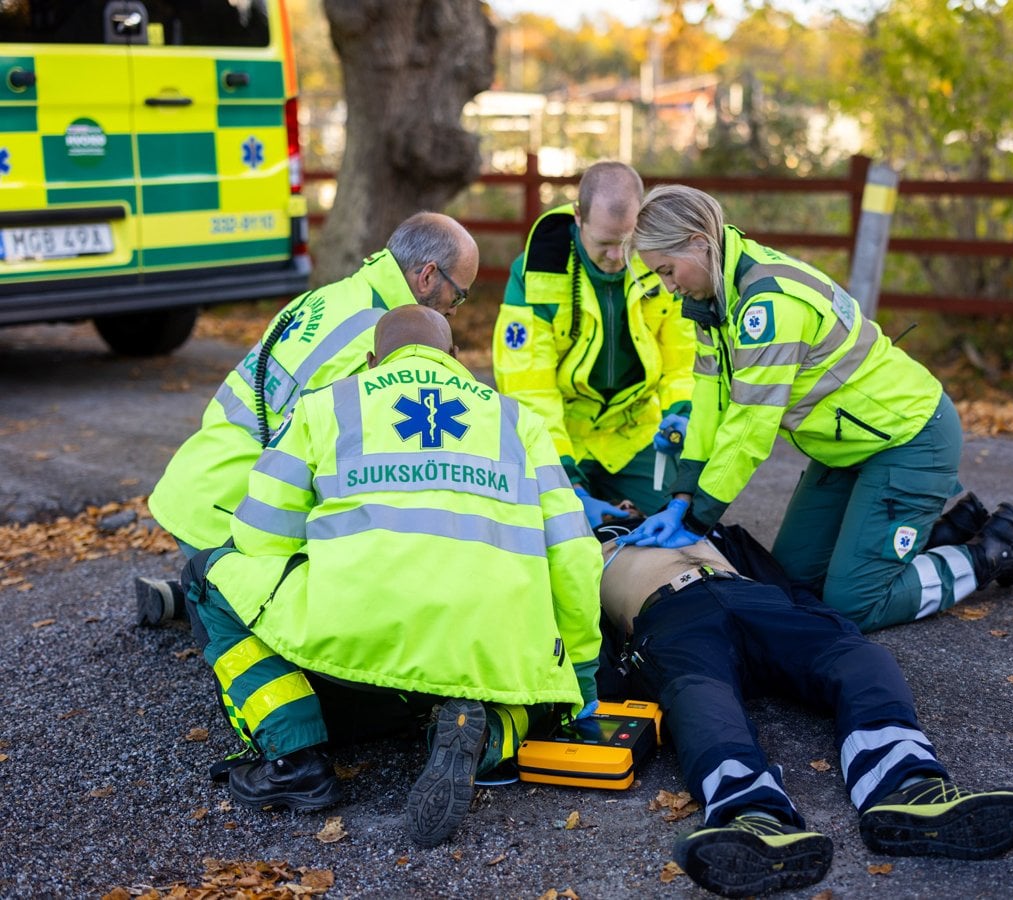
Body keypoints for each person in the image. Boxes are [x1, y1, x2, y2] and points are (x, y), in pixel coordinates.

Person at [179, 305, 603, 847]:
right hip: (487, 644)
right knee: (544, 692)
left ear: (371, 360)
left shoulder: (327, 405)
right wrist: (580, 679)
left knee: (208, 576)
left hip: (357, 635)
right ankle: (486, 736)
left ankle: (293, 755)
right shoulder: (517, 420)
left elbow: (260, 537)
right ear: (455, 357)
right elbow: (576, 556)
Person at [618, 185, 1013, 632]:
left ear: (699, 243)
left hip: (909, 438)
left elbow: (750, 425)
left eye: (668, 270)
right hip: (846, 449)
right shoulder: (716, 300)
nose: (669, 287)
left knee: (854, 604)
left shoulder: (770, 304)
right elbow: (710, 403)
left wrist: (698, 517)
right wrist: (681, 496)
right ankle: (952, 530)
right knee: (795, 583)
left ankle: (992, 551)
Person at [593, 517, 1013, 898]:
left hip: (757, 600)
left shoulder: (706, 524)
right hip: (670, 616)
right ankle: (754, 817)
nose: (627, 505)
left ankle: (910, 786)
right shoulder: (587, 542)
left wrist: (822, 622)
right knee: (700, 698)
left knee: (860, 659)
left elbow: (780, 577)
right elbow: (584, 624)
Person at [137, 212, 479, 625]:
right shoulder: (379, 347)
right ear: (427, 276)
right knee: (339, 617)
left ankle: (203, 590)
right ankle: (218, 598)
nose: (455, 311)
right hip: (239, 516)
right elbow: (356, 478)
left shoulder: (332, 296)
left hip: (199, 489)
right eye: (459, 296)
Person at [492, 161, 695, 528]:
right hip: (563, 438)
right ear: (578, 217)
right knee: (544, 530)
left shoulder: (661, 261)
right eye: (604, 244)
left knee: (681, 522)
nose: (617, 257)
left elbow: (683, 362)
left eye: (627, 242)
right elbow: (529, 390)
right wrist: (568, 483)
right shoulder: (535, 274)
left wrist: (681, 415)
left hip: (635, 436)